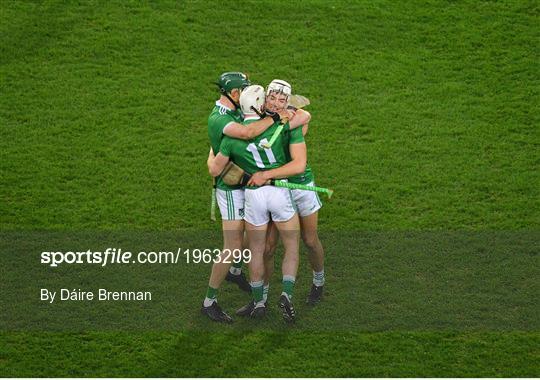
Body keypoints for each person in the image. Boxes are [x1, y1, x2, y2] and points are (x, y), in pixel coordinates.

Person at [208, 84, 307, 323]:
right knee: (292, 246)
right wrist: (286, 114)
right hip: (278, 191)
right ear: (260, 104)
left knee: (256, 251)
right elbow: (303, 123)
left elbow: (215, 168)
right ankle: (286, 293)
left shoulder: (232, 137)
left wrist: (212, 150)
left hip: (253, 195)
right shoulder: (282, 125)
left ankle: (258, 302)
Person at [249, 79, 326, 306]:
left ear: (287, 102)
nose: (275, 102)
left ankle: (318, 281)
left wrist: (291, 115)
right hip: (275, 189)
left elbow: (306, 118)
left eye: (281, 100)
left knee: (310, 240)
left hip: (300, 185)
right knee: (268, 247)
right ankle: (260, 300)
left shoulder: (293, 122)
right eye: (271, 97)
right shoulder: (259, 121)